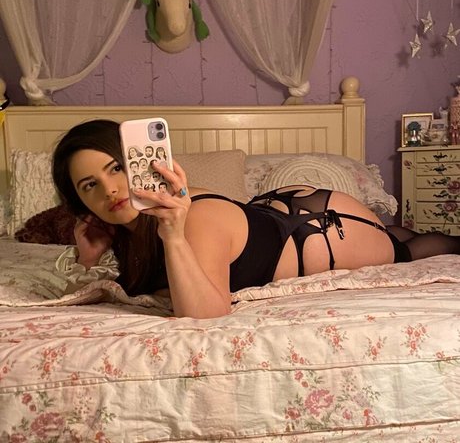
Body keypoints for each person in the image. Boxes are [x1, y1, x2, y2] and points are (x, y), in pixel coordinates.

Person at [52, 119, 460, 319]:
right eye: (89, 185)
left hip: (319, 227)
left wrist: (174, 236)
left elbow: (206, 315)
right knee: (394, 234)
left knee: (404, 249)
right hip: (270, 212)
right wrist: (87, 261)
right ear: (79, 201)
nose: (109, 190)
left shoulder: (191, 219)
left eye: (117, 168)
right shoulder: (126, 228)